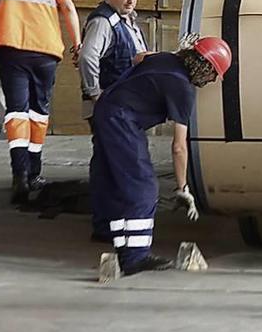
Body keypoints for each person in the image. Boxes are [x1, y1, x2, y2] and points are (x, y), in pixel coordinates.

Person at [89, 36, 231, 275]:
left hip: (105, 109)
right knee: (142, 186)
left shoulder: (166, 59)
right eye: (213, 74)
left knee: (113, 179)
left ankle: (112, 234)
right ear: (205, 68)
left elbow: (139, 58)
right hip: (122, 120)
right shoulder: (183, 88)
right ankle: (135, 258)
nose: (212, 80)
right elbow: (179, 146)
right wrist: (183, 188)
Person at [0, 0, 82, 203]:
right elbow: (67, 7)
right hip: (45, 52)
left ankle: (19, 173)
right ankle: (35, 173)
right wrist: (77, 43)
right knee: (38, 112)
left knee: (16, 112)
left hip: (9, 49)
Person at [79, 0, 149, 241]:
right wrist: (95, 93)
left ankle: (111, 221)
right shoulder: (104, 22)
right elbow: (87, 57)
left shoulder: (126, 21)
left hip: (121, 107)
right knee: (110, 165)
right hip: (107, 106)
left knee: (113, 163)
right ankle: (105, 223)